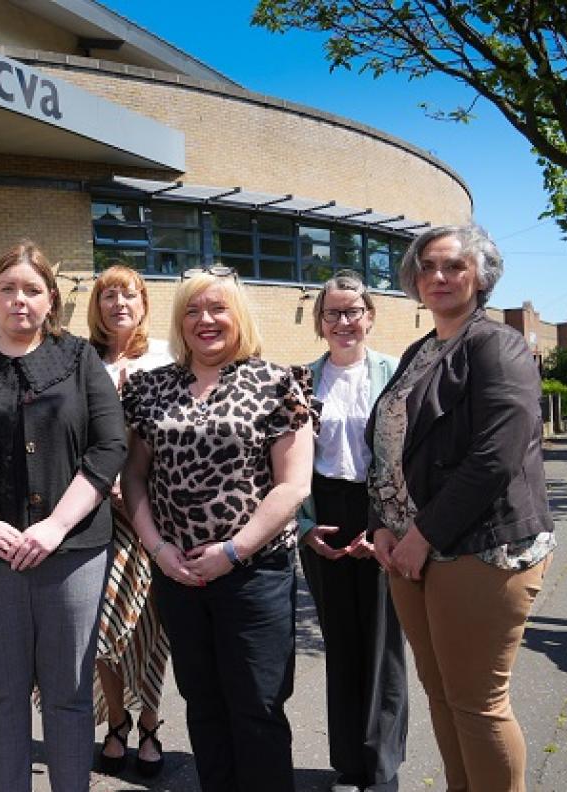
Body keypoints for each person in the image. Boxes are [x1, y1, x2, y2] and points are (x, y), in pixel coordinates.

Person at [0, 241, 127, 792]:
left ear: (51, 300)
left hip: (73, 555)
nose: (19, 300)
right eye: (7, 288)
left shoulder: (80, 359)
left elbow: (109, 447)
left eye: (32, 289)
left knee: (69, 695)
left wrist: (56, 525)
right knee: (2, 696)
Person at [367, 225, 555, 792]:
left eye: (454, 266)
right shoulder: (421, 350)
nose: (439, 277)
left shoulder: (497, 345)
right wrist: (379, 523)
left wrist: (422, 534)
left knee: (477, 703)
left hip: (481, 549)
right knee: (442, 695)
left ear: (481, 276)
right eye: (428, 267)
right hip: (409, 550)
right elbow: (386, 446)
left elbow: (497, 454)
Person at [120, 268, 315, 792]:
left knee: (258, 708)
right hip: (177, 575)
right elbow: (133, 476)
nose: (204, 320)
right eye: (191, 310)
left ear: (240, 317)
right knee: (203, 706)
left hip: (255, 574)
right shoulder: (149, 387)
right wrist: (158, 550)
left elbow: (292, 486)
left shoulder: (279, 382)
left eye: (217, 309)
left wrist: (233, 550)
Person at [297, 271, 406, 792]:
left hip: (381, 512)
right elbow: (285, 463)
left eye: (353, 311)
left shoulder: (395, 373)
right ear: (319, 322)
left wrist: (387, 525)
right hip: (325, 516)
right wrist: (304, 526)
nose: (343, 321)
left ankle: (382, 768)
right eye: (333, 313)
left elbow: (409, 456)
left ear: (370, 316)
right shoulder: (301, 379)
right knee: (340, 643)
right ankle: (348, 764)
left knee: (383, 645)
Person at [85, 265, 172, 778]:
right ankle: (116, 721)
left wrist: (136, 486)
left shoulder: (165, 356)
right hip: (97, 516)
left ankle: (151, 725)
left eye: (130, 294)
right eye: (108, 295)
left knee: (149, 628)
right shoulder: (82, 360)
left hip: (155, 516)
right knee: (101, 628)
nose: (119, 302)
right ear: (96, 306)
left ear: (143, 304)